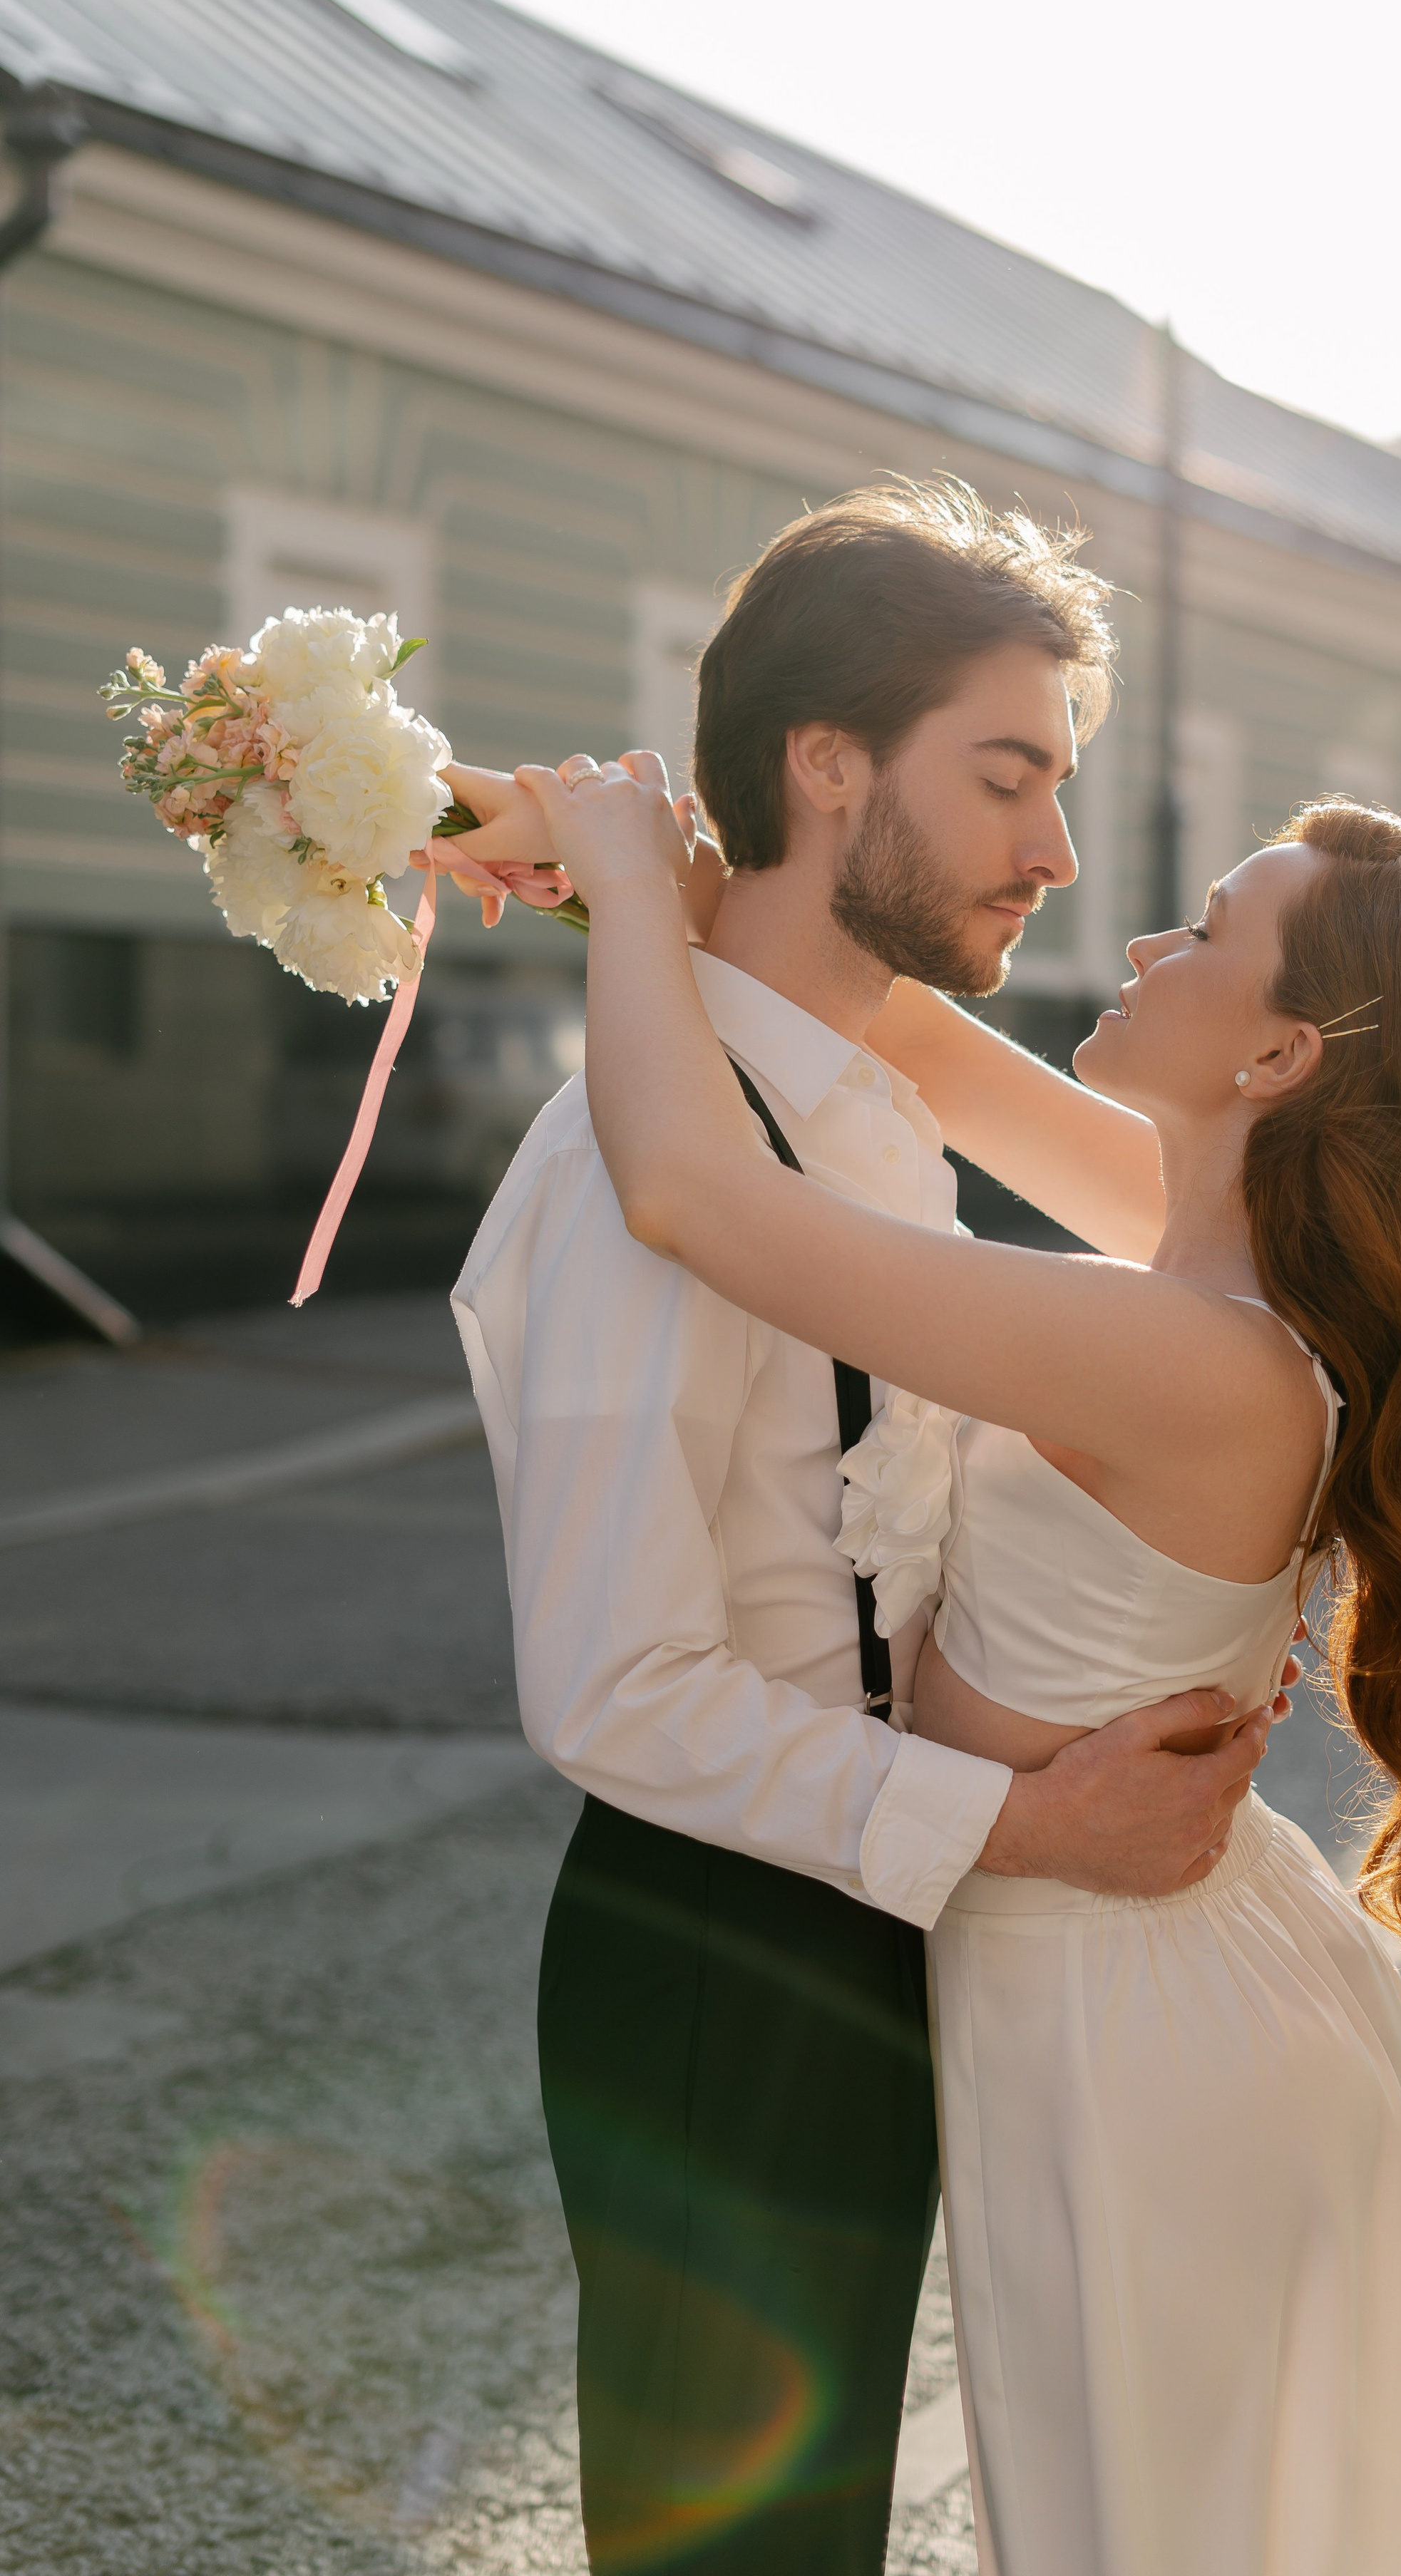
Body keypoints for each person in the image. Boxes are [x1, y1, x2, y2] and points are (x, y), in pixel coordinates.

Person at [506, 753, 1401, 2576]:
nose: (1130, 927)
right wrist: (503, 815)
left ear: (1275, 1060)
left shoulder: (1179, 1349)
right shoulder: (1206, 1251)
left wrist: (629, 897)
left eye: (1203, 931)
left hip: (1143, 2019)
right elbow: (901, 1022)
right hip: (1141, 1972)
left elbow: (697, 1199)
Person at [446, 483, 1294, 2576]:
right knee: (732, 2548)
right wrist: (1027, 1827)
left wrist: (636, 889)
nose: (1061, 857)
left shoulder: (847, 1105)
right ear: (829, 766)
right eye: (1008, 778)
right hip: (721, 1945)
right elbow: (617, 1688)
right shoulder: (644, 1166)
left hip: (862, 1907)